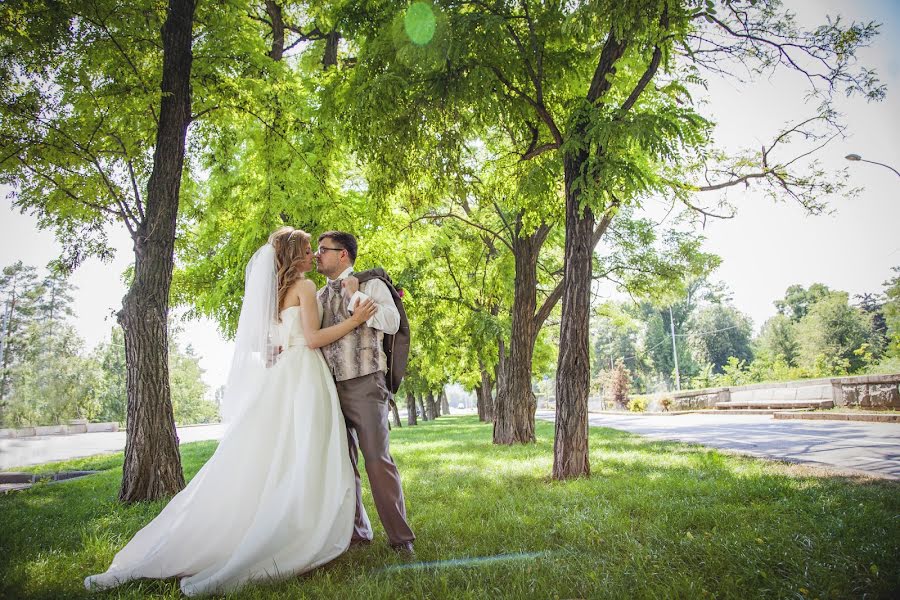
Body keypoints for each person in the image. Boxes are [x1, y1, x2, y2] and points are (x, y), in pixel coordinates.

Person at [84, 227, 376, 597]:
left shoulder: (274, 293)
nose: (312, 256)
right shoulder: (302, 287)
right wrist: (355, 318)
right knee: (305, 449)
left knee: (278, 451)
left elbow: (272, 344)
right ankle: (301, 523)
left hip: (282, 376)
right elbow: (314, 339)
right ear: (293, 256)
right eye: (306, 250)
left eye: (314, 251)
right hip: (304, 373)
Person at [314, 230, 416, 555]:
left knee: (377, 460)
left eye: (323, 250)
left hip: (367, 384)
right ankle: (358, 534)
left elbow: (391, 321)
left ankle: (402, 539)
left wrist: (356, 297)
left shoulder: (371, 284)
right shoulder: (316, 296)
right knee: (344, 465)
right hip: (328, 389)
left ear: (342, 254)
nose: (317, 256)